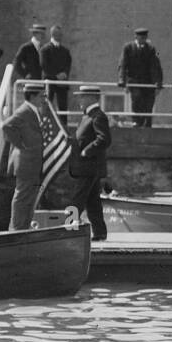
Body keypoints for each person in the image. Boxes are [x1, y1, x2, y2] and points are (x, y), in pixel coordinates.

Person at [68, 85, 112, 241]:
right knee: (92, 201)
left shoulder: (98, 116)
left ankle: (68, 228)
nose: (79, 99)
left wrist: (87, 151)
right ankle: (100, 232)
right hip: (86, 167)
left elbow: (104, 139)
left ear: (92, 97)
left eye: (82, 96)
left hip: (89, 167)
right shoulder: (87, 116)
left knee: (76, 198)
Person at [2, 81, 47, 231]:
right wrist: (21, 144)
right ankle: (17, 229)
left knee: (29, 197)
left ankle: (23, 228)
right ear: (33, 96)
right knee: (22, 197)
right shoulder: (25, 110)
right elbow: (7, 126)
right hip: (26, 162)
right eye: (42, 96)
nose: (44, 99)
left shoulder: (34, 111)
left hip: (32, 162)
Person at [117, 27, 164, 126]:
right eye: (141, 38)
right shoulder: (128, 48)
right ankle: (136, 122)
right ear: (136, 37)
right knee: (137, 99)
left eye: (145, 38)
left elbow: (156, 66)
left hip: (148, 82)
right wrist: (123, 81)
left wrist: (158, 84)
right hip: (133, 80)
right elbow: (123, 64)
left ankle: (147, 125)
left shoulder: (150, 49)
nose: (143, 40)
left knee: (149, 103)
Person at [40, 24, 73, 120]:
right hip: (49, 82)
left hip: (62, 84)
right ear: (53, 35)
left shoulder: (65, 51)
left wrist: (65, 74)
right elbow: (44, 65)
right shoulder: (45, 50)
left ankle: (64, 129)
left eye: (61, 34)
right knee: (47, 106)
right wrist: (55, 75)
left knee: (63, 108)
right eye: (59, 34)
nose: (61, 36)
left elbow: (68, 63)